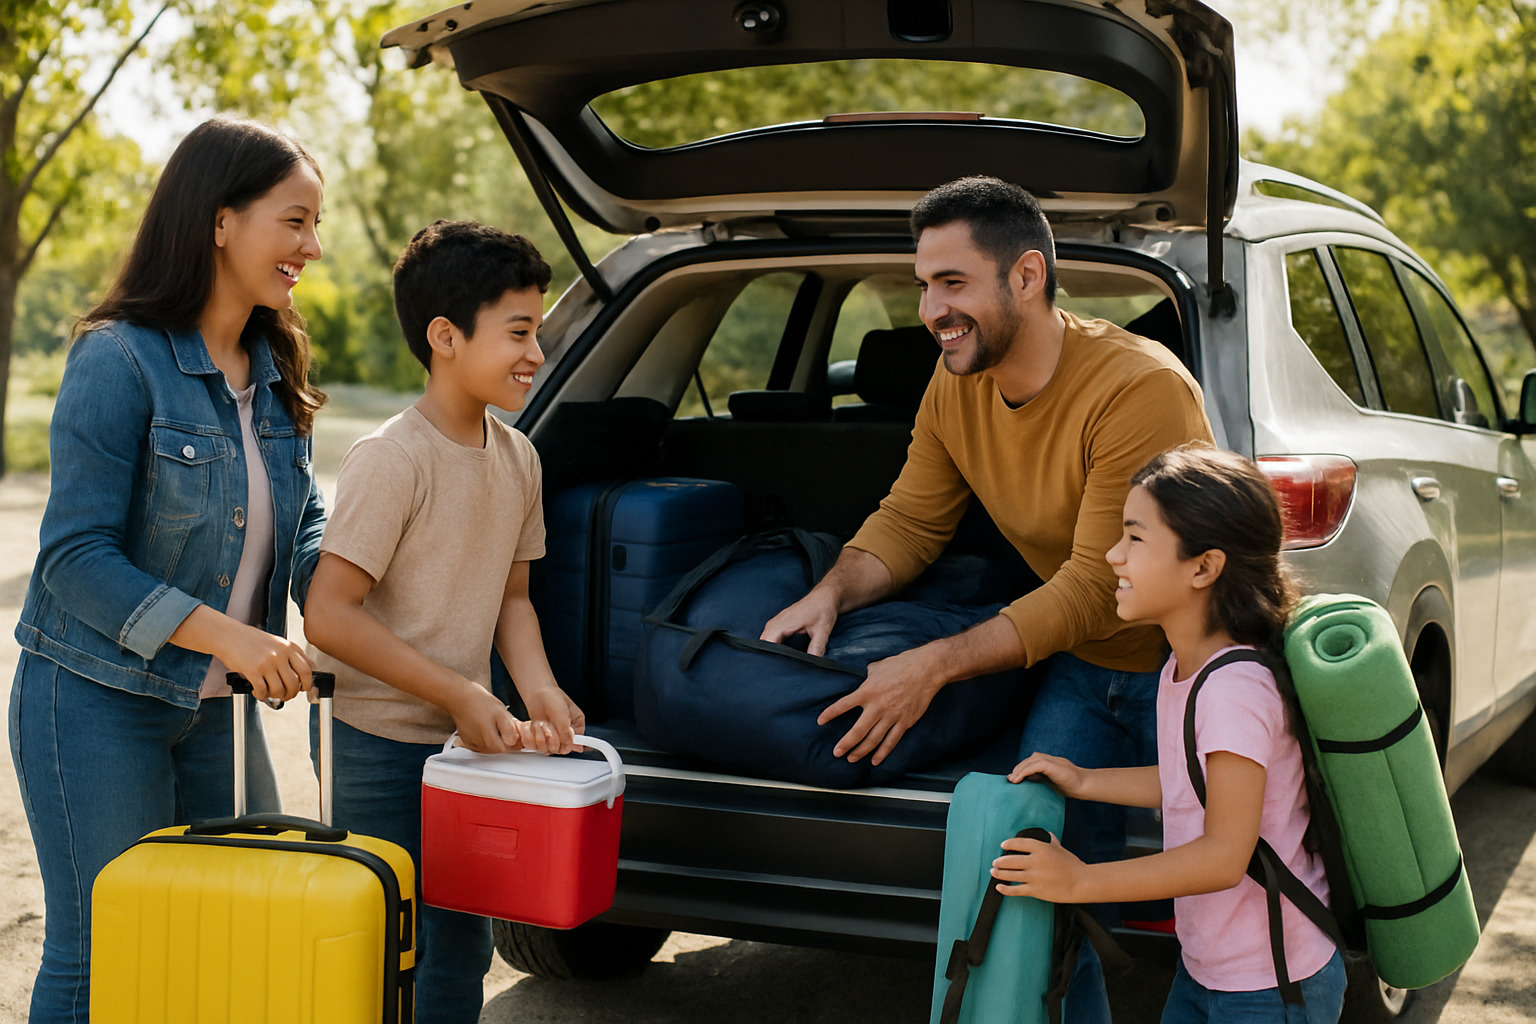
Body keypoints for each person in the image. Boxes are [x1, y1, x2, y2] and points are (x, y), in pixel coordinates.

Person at [760, 175, 1213, 1020]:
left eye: (953, 282)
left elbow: (1094, 587)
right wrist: (830, 594)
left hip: (1184, 674)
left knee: (1220, 912)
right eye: (925, 284)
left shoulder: (1136, 389)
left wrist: (932, 666)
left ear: (1028, 277)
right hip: (1082, 667)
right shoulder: (955, 381)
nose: (931, 308)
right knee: (1036, 884)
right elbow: (911, 521)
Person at [9, 116, 327, 1023]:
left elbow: (298, 519)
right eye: (294, 220)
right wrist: (229, 634)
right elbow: (73, 559)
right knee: (104, 949)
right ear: (219, 221)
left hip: (218, 711)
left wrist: (346, 578)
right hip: (93, 702)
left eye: (314, 224)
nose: (311, 245)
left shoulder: (273, 363)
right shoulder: (117, 360)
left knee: (229, 936)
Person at [302, 219, 585, 1024]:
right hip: (380, 745)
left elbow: (514, 599)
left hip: (469, 748)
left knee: (459, 951)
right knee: (381, 950)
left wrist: (539, 691)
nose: (536, 352)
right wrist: (460, 692)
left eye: (538, 330)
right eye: (520, 332)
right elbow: (328, 612)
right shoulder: (393, 458)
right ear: (445, 337)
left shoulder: (520, 456)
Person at [996, 444, 1346, 1023]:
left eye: (1135, 538)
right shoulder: (1184, 667)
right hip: (1208, 970)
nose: (1113, 556)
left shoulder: (1235, 690)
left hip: (1272, 987)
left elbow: (1222, 857)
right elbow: (1192, 781)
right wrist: (1086, 780)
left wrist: (1081, 881)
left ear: (1204, 567)